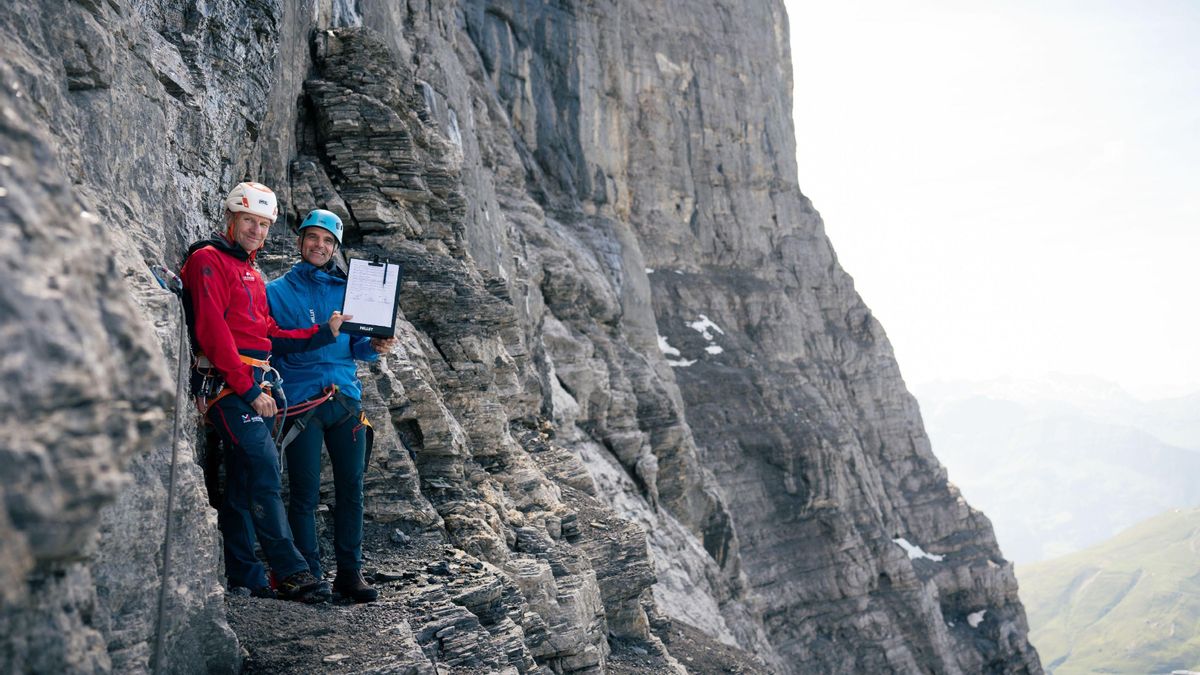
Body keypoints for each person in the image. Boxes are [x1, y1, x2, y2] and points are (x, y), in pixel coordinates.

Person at [181, 183, 351, 601]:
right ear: (231, 219)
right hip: (228, 386)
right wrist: (247, 388)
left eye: (263, 224)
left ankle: (247, 575)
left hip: (254, 384)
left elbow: (268, 334)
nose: (256, 231)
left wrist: (322, 333)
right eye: (249, 221)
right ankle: (291, 571)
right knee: (263, 462)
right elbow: (212, 332)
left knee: (243, 480)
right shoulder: (208, 260)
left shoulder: (252, 273)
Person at [267, 209, 395, 603]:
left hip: (345, 400)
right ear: (300, 241)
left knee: (352, 490)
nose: (319, 246)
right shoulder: (275, 291)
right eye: (313, 238)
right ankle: (311, 574)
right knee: (304, 492)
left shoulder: (348, 291)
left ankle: (350, 574)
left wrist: (375, 346)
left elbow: (357, 346)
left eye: (327, 241)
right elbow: (272, 343)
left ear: (335, 248)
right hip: (301, 402)